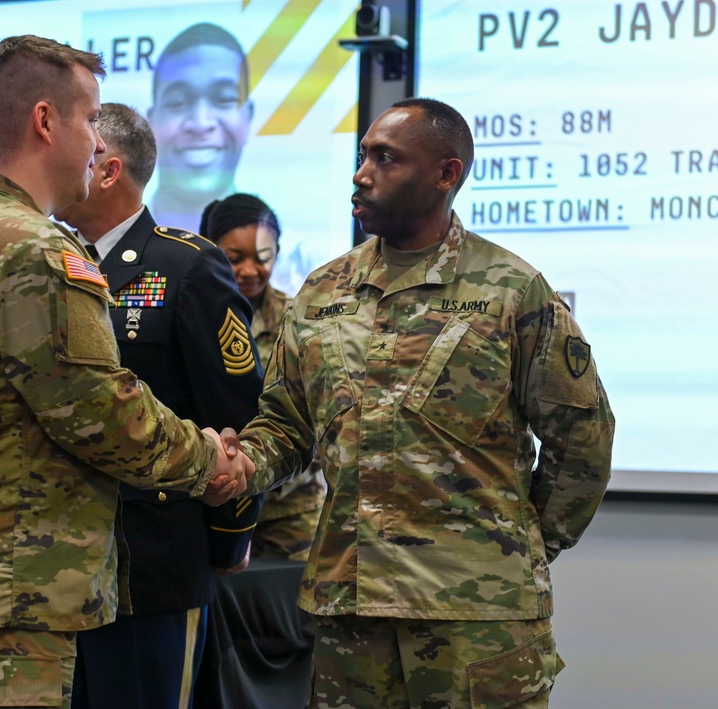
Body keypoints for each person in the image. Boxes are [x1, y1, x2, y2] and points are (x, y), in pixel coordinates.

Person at [0, 36, 253, 709]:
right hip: (1, 597)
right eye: (88, 120)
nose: (97, 144)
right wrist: (211, 461)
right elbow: (101, 412)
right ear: (46, 121)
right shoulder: (30, 246)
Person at [225, 98, 615, 708]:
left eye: (385, 158)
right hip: (349, 613)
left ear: (446, 174)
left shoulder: (511, 291)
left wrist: (518, 545)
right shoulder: (324, 291)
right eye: (362, 156)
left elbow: (582, 440)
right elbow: (286, 425)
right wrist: (238, 464)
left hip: (475, 620)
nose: (362, 173)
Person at [54, 102, 263, 709]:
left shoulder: (187, 265)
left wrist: (228, 540)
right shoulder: (49, 260)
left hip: (152, 562)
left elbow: (236, 415)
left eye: (80, 152)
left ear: (108, 169)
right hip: (57, 563)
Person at [200, 194, 326, 562]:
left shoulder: (300, 317)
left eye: (263, 258)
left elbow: (321, 410)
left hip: (289, 512)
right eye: (234, 258)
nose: (250, 271)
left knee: (290, 616)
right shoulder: (193, 316)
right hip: (214, 503)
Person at [147, 23, 253, 234]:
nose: (200, 124)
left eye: (224, 99)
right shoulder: (104, 245)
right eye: (177, 102)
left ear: (248, 117)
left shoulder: (296, 261)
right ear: (151, 122)